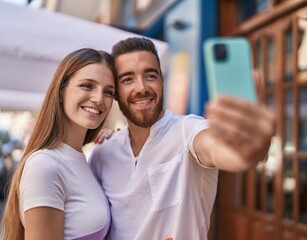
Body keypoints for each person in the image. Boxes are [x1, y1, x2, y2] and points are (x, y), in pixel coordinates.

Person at [89, 37, 275, 239]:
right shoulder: (102, 153)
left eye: (150, 76)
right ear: (115, 92)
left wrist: (248, 147)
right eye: (127, 79)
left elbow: (220, 150)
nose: (141, 87)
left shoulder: (187, 130)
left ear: (162, 81)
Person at [1, 48, 117, 240]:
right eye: (87, 86)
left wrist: (117, 144)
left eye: (108, 92)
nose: (98, 99)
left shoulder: (84, 162)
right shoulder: (45, 164)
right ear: (61, 90)